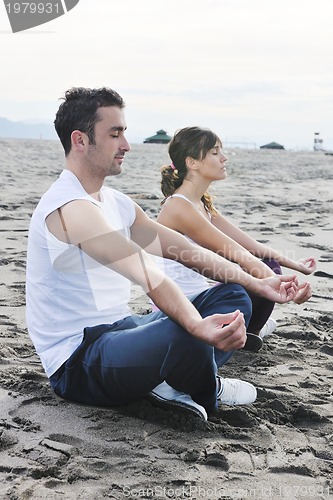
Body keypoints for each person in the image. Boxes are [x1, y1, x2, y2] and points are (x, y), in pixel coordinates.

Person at [25, 88, 299, 422]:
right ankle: (203, 387)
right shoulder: (69, 209)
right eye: (115, 134)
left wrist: (261, 282)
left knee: (230, 296)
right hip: (80, 360)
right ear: (80, 140)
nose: (126, 145)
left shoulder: (116, 203)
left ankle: (172, 378)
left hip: (123, 329)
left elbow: (189, 253)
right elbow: (149, 275)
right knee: (182, 331)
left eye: (124, 132)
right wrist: (196, 325)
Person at [156, 126, 316, 351]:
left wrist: (297, 267)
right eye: (214, 152)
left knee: (266, 263)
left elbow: (251, 246)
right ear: (192, 162)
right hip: (182, 309)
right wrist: (287, 291)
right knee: (243, 283)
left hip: (200, 298)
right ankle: (245, 333)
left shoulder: (200, 203)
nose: (224, 157)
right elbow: (237, 254)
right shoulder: (179, 206)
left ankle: (248, 333)